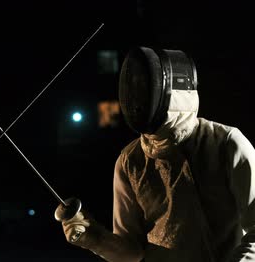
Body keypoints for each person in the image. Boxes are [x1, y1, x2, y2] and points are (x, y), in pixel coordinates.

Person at [56, 46, 255, 262]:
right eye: (133, 89)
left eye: (143, 87)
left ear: (172, 88)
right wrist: (95, 239)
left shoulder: (225, 143)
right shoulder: (130, 160)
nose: (136, 97)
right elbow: (132, 252)